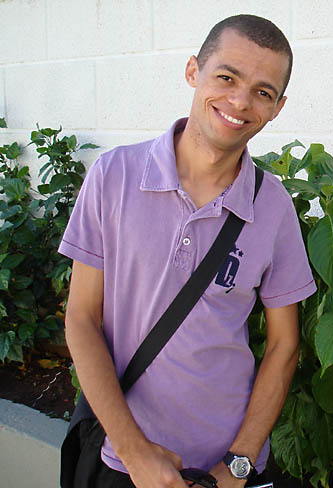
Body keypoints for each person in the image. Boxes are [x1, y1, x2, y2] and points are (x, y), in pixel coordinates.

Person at [60, 14, 316, 488]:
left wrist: (239, 462)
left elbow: (284, 344)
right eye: (226, 77)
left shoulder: (274, 205)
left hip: (226, 470)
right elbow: (81, 318)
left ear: (278, 107)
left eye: (263, 92)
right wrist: (137, 455)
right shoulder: (112, 176)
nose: (240, 102)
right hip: (123, 461)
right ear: (192, 71)